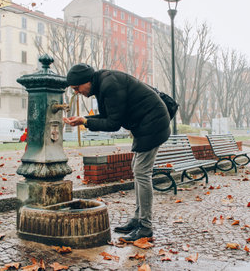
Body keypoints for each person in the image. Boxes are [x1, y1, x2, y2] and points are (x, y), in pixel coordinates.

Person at [63, 63, 171, 242]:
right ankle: (138, 220)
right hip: (146, 124)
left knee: (142, 173)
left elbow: (113, 124)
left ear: (87, 81)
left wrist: (85, 122)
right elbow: (109, 117)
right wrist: (84, 120)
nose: (77, 92)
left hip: (153, 124)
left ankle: (145, 227)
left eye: (77, 88)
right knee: (137, 170)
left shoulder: (109, 84)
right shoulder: (102, 84)